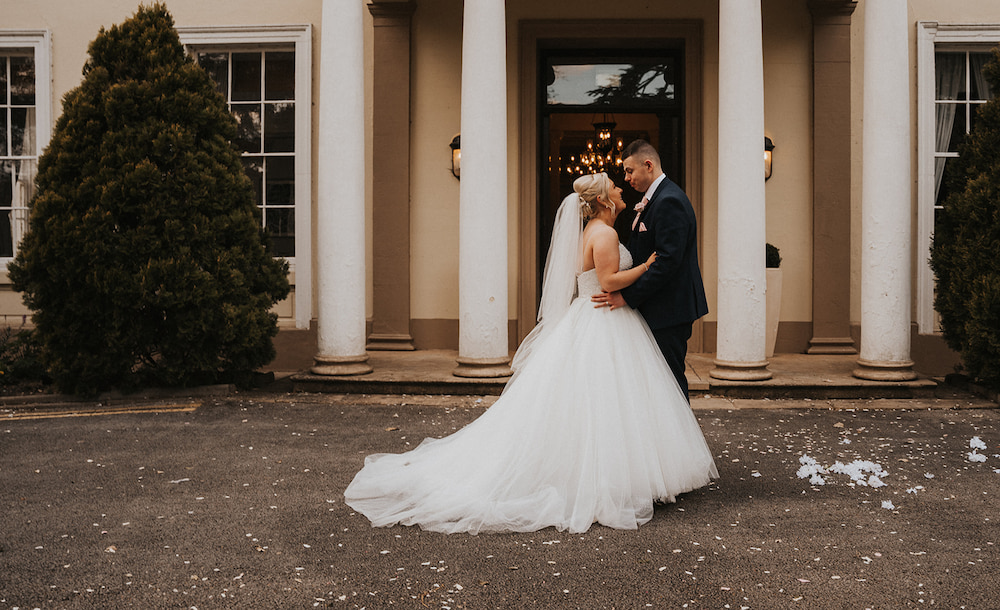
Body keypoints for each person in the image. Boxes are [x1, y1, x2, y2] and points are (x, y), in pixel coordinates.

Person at [344, 173, 717, 534]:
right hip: (602, 317)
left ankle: (614, 472)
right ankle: (609, 477)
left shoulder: (593, 230)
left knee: (599, 400)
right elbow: (607, 282)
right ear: (604, 200)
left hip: (597, 317)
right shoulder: (604, 234)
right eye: (614, 187)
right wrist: (647, 266)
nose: (621, 189)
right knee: (605, 398)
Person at [592, 140, 709, 400]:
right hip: (655, 306)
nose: (626, 178)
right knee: (656, 382)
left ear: (648, 165)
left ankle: (679, 428)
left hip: (668, 309)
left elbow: (667, 262)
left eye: (629, 171)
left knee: (669, 380)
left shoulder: (669, 200)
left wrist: (626, 296)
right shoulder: (654, 199)